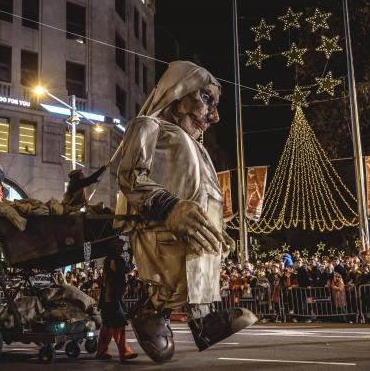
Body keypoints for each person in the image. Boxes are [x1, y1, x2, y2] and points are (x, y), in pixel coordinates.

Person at [116, 61, 256, 362]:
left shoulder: (197, 147)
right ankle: (152, 312)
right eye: (207, 99)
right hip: (161, 229)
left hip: (190, 233)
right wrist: (169, 206)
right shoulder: (148, 126)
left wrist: (219, 229)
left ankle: (203, 321)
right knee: (171, 278)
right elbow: (130, 176)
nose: (214, 116)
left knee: (198, 269)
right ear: (178, 92)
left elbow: (203, 192)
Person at [95, 243, 138, 362]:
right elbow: (126, 269)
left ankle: (101, 351)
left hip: (107, 299)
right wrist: (130, 257)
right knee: (120, 324)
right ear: (114, 249)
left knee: (107, 326)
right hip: (112, 298)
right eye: (119, 246)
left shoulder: (109, 260)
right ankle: (124, 352)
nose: (121, 248)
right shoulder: (115, 260)